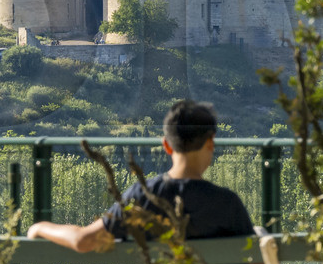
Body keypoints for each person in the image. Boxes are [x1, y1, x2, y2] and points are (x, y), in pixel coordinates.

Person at [25, 99, 254, 253]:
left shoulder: (144, 196)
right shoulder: (228, 203)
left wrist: (40, 227)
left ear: (166, 145)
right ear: (210, 143)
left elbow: (84, 241)